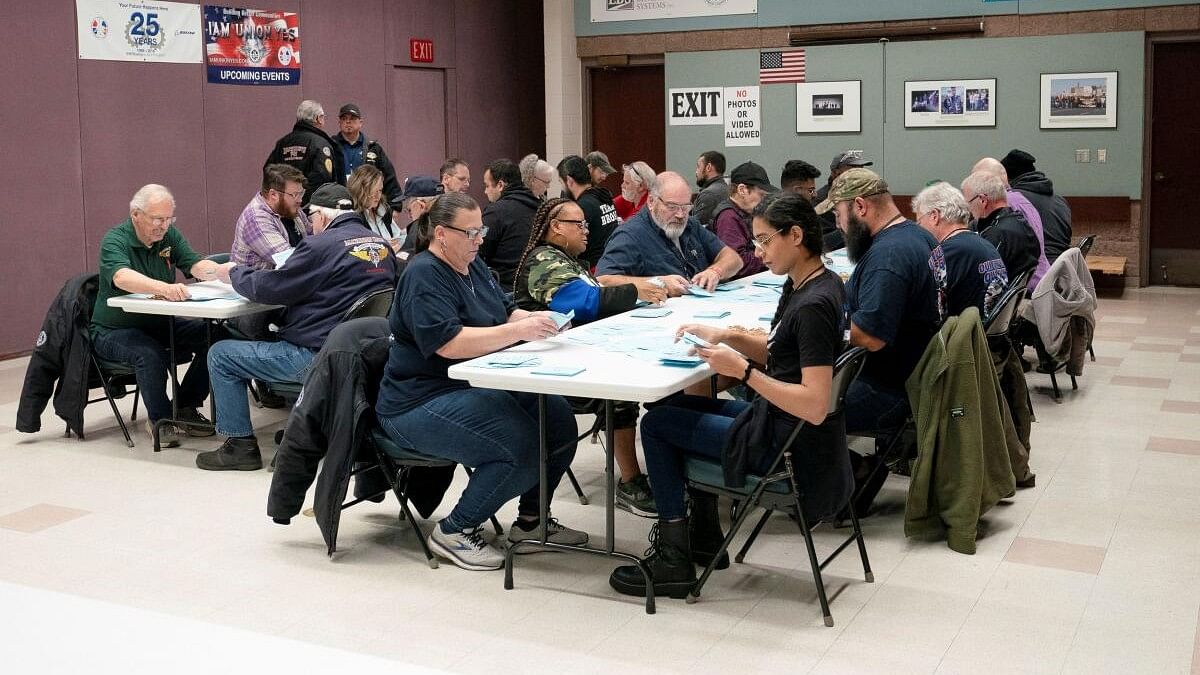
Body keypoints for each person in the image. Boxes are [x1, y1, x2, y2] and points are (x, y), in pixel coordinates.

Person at [608, 192, 851, 599]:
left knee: (656, 424)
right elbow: (781, 352)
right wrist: (727, 336)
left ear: (795, 235)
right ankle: (703, 536)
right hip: (786, 428)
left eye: (764, 240)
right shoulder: (811, 283)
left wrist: (743, 371)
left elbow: (813, 404)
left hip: (786, 442)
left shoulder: (813, 304)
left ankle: (674, 557)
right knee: (675, 405)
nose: (758, 252)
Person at [374, 192, 587, 571]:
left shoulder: (473, 265)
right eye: (471, 232)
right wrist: (518, 331)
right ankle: (455, 530)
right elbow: (449, 343)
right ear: (441, 233)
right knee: (521, 447)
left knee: (557, 421)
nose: (480, 239)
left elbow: (504, 311)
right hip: (418, 402)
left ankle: (532, 522)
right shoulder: (423, 275)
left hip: (471, 385)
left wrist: (541, 322)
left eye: (480, 230)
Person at [197, 184, 400, 471]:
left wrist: (233, 273)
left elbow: (272, 287)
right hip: (364, 357)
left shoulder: (320, 246)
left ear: (322, 216)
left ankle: (239, 446)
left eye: (312, 217)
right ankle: (306, 429)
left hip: (316, 359)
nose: (310, 223)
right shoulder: (379, 244)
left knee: (221, 354)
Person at [513, 198, 668, 516]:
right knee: (620, 394)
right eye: (579, 224)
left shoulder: (567, 259)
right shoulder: (544, 259)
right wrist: (637, 291)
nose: (587, 230)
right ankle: (630, 483)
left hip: (577, 353)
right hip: (548, 367)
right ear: (556, 227)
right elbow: (582, 302)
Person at [815, 169, 939, 511]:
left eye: (838, 214)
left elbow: (868, 336)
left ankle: (855, 471)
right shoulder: (917, 236)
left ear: (859, 207)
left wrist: (817, 325)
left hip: (888, 388)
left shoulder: (889, 256)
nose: (838, 225)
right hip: (915, 374)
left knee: (782, 408)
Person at [90, 184, 231, 448]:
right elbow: (121, 276)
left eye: (168, 219)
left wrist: (222, 271)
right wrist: (164, 288)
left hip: (159, 321)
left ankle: (185, 406)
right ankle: (160, 420)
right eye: (157, 219)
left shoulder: (169, 236)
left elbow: (194, 264)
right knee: (150, 354)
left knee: (218, 338)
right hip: (113, 330)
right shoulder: (115, 240)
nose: (163, 225)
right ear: (136, 215)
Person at [596, 171, 743, 296]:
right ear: (652, 202)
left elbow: (734, 259)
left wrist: (715, 271)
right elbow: (603, 280)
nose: (680, 214)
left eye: (685, 207)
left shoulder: (690, 224)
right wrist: (659, 283)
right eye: (672, 207)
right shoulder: (630, 235)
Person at [912, 182, 1008, 319]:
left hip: (961, 336)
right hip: (981, 333)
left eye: (919, 222)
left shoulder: (948, 253)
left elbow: (928, 309)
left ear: (934, 216)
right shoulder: (985, 245)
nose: (919, 229)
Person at [971, 157, 1049, 290]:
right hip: (1041, 278)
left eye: (975, 180)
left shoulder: (1004, 206)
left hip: (1027, 287)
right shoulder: (1020, 199)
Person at [961, 171, 1041, 281]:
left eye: (968, 203)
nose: (968, 209)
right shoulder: (1021, 222)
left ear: (983, 200)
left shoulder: (996, 235)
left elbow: (979, 278)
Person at [231, 163, 311, 270]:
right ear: (273, 195)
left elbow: (313, 239)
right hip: (253, 284)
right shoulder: (256, 219)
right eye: (295, 195)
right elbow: (290, 261)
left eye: (301, 193)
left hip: (284, 281)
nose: (300, 200)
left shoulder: (290, 209)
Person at [264, 100, 344, 204]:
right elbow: (321, 179)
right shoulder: (322, 144)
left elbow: (269, 172)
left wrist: (285, 199)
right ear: (318, 119)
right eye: (323, 116)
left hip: (283, 207)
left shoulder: (282, 143)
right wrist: (300, 200)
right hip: (312, 210)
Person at [333, 103, 403, 220]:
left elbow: (389, 176)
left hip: (369, 207)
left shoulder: (373, 148)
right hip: (339, 207)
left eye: (352, 119)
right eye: (344, 119)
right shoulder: (331, 146)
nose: (348, 122)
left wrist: (395, 206)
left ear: (361, 122)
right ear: (339, 123)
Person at [1002, 149, 1074, 262]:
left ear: (1007, 177)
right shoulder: (1060, 200)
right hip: (1063, 268)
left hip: (1035, 271)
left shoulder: (1013, 200)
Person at [479, 158, 539, 291]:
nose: (485, 191)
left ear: (500, 185)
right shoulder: (540, 207)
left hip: (505, 288)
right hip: (536, 285)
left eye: (487, 185)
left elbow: (479, 247)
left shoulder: (495, 212)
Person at [712, 161, 777, 278]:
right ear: (742, 190)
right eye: (761, 195)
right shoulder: (727, 217)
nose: (763, 200)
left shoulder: (746, 213)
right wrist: (774, 256)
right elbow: (738, 262)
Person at [557, 154, 619, 268]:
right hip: (610, 263)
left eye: (561, 183)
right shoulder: (603, 197)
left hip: (593, 270)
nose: (562, 188)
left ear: (569, 181)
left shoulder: (581, 207)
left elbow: (570, 245)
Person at [814, 151, 873, 252]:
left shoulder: (863, 195)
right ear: (835, 173)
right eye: (854, 171)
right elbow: (822, 242)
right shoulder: (821, 200)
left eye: (862, 170)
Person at [348, 165, 405, 253]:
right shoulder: (353, 218)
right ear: (362, 191)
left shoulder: (384, 209)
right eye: (374, 192)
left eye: (380, 190)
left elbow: (397, 236)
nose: (378, 196)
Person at [691, 150, 728, 229]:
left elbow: (695, 228)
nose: (696, 172)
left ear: (708, 167)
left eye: (698, 167)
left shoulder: (708, 195)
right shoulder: (726, 189)